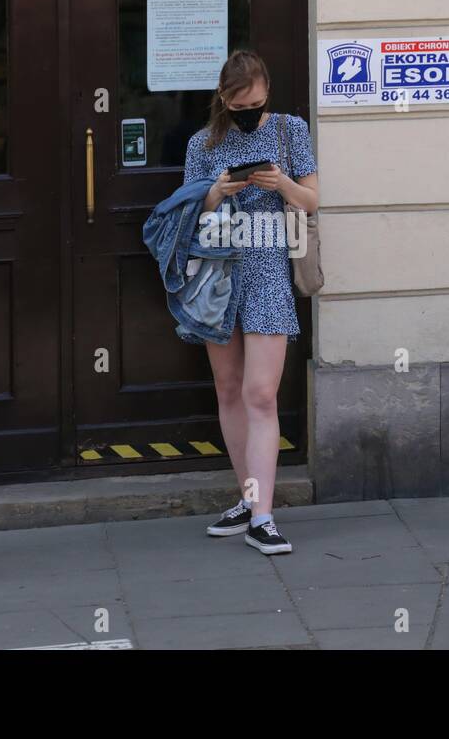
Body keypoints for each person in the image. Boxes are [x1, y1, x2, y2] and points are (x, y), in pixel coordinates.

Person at [183, 50, 319, 554]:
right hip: (218, 273)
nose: (250, 113)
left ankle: (263, 517)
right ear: (224, 99)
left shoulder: (288, 130)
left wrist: (280, 182)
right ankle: (247, 498)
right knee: (228, 388)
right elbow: (189, 212)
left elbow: (311, 200)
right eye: (240, 106)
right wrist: (215, 193)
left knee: (261, 394)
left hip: (266, 270)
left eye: (257, 104)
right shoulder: (203, 143)